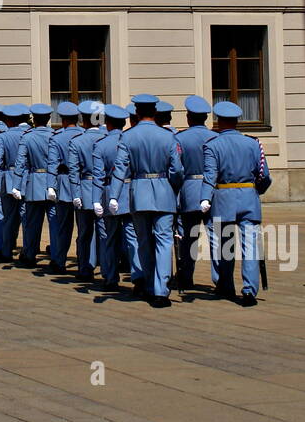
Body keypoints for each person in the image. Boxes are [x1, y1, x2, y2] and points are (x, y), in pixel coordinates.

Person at [109, 94, 185, 307]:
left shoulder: (128, 136)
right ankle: (162, 290)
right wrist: (173, 188)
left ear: (137, 113)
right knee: (164, 241)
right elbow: (177, 170)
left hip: (139, 191)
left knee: (143, 241)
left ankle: (149, 286)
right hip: (163, 191)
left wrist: (114, 196)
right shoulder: (168, 136)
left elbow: (120, 169)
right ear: (155, 112)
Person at [201, 100, 272, 306]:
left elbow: (210, 176)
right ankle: (249, 291)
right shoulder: (252, 143)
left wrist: (205, 198)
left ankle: (226, 286)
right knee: (250, 247)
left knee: (226, 246)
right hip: (249, 198)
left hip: (223, 198)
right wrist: (255, 191)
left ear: (219, 121)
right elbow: (264, 175)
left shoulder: (213, 145)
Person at [91, 105, 137, 291]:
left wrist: (95, 199)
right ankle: (138, 276)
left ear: (108, 124)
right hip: (130, 191)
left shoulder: (101, 144)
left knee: (109, 238)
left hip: (109, 191)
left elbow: (98, 176)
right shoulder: (132, 140)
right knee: (133, 237)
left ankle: (110, 277)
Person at [174, 96, 217, 291]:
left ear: (189, 117)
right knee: (216, 237)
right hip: (213, 190)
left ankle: (186, 275)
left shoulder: (180, 138)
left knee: (188, 237)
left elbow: (176, 168)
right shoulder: (215, 138)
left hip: (189, 189)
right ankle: (220, 278)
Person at [69, 100, 106, 281]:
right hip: (104, 190)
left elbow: (73, 172)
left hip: (84, 189)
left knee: (84, 233)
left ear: (83, 120)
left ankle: (85, 268)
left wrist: (75, 194)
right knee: (104, 233)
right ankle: (108, 271)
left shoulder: (77, 142)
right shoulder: (107, 138)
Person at [14, 104, 54, 267]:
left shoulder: (27, 137)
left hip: (34, 181)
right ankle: (58, 257)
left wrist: (16, 185)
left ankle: (30, 253)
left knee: (31, 222)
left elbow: (20, 163)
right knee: (55, 223)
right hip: (53, 182)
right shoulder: (55, 135)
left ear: (34, 120)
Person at [45, 101, 83, 274]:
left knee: (63, 226)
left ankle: (59, 261)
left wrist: (50, 186)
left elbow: (52, 164)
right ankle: (85, 265)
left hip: (63, 182)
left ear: (63, 120)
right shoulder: (84, 135)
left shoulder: (57, 137)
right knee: (84, 228)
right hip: (82, 183)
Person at [0, 104, 28, 262]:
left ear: (9, 121)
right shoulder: (28, 134)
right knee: (26, 218)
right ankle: (27, 250)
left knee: (8, 217)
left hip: (8, 178)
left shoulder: (3, 137)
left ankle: (6, 250)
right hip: (26, 178)